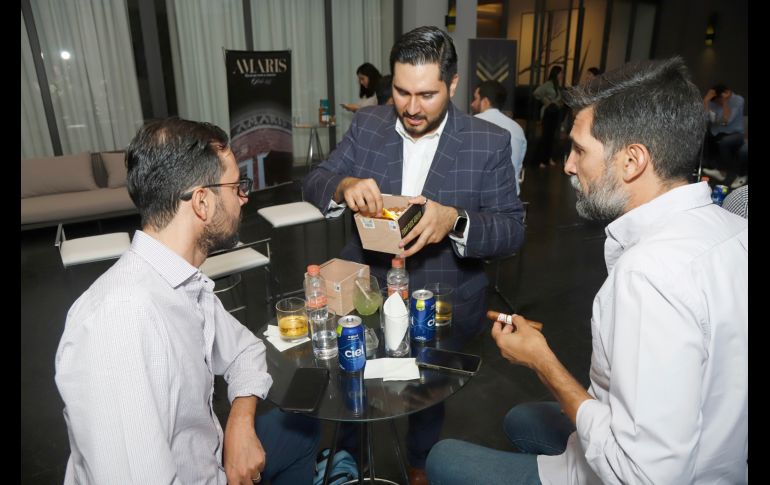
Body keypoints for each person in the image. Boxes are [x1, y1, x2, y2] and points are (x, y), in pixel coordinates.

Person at [426, 56, 748, 484]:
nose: (569, 165)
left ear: (632, 161)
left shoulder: (650, 275)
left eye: (580, 149)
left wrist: (542, 362)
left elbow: (643, 475)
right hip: (721, 461)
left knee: (442, 458)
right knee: (522, 419)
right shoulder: (732, 228)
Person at [303, 26, 525, 484]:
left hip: (441, 299)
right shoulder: (369, 124)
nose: (411, 107)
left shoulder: (488, 142)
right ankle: (347, 458)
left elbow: (512, 229)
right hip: (365, 293)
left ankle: (421, 465)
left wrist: (456, 221)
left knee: (427, 397)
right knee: (352, 384)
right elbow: (316, 179)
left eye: (426, 94)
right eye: (402, 92)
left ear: (454, 84)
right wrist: (344, 186)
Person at [55, 118, 320, 484]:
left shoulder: (180, 281)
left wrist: (240, 424)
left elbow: (245, 351)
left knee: (301, 430)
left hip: (209, 459)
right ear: (202, 202)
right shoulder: (118, 322)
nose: (244, 197)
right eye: (236, 186)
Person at [470, 79, 527, 195]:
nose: (472, 104)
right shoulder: (518, 129)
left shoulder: (470, 124)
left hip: (479, 201)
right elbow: (518, 168)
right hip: (511, 197)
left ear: (485, 101)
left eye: (475, 99)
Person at [701, 83, 746, 185]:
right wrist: (706, 101)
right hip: (716, 132)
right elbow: (705, 118)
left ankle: (723, 172)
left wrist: (725, 102)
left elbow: (726, 121)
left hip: (735, 134)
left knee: (724, 142)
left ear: (727, 94)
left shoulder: (738, 100)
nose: (717, 103)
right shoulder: (713, 101)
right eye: (715, 101)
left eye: (718, 100)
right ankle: (708, 167)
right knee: (703, 136)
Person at [533, 65, 565, 168]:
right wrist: (547, 102)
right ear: (556, 73)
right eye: (560, 73)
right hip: (548, 112)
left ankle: (548, 159)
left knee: (551, 137)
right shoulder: (548, 84)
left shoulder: (557, 85)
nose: (562, 75)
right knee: (545, 137)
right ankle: (541, 160)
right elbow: (536, 93)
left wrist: (558, 103)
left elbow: (558, 100)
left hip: (555, 113)